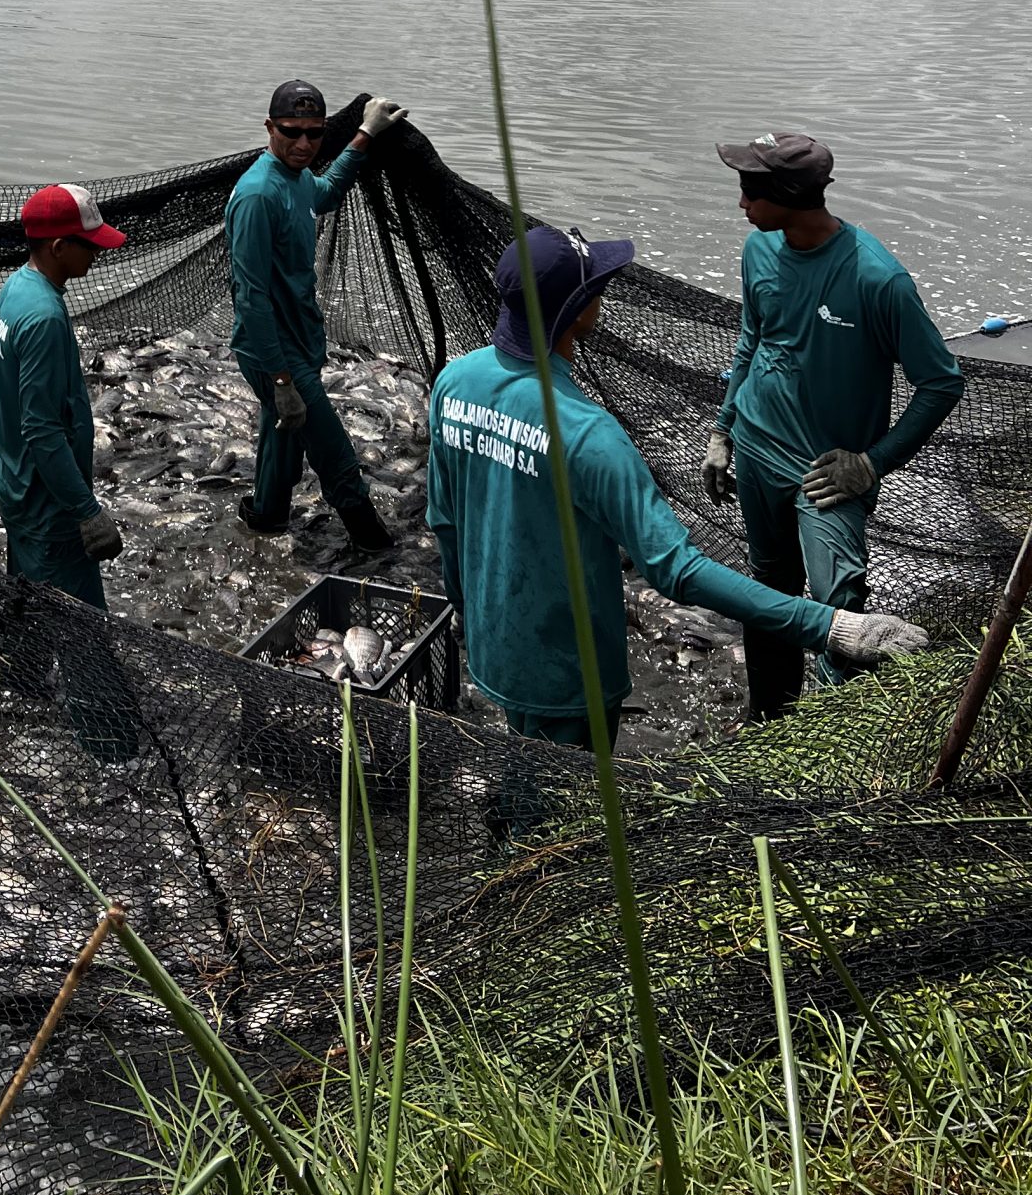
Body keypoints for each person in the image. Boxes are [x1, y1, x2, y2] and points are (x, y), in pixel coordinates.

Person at [426, 222, 929, 746]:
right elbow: (677, 569)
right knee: (558, 805)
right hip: (569, 669)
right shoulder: (588, 435)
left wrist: (467, 607)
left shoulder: (455, 382)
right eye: (597, 289)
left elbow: (444, 519)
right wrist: (833, 626)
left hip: (493, 644)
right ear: (579, 313)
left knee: (519, 758)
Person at [703, 130, 963, 722]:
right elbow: (752, 342)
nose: (741, 204)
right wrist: (722, 432)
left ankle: (835, 737)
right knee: (767, 591)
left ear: (790, 196)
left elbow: (942, 382)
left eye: (750, 192)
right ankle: (768, 717)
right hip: (756, 448)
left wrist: (870, 463)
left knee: (839, 604)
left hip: (828, 477)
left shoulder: (878, 279)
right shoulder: (760, 251)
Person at [226, 81, 406, 553]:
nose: (304, 144)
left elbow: (322, 194)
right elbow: (250, 298)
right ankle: (374, 543)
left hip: (299, 340)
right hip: (274, 351)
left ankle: (266, 517)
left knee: (283, 436)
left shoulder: (298, 177)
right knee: (333, 452)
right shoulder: (257, 195)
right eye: (291, 132)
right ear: (270, 127)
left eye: (314, 134)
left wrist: (364, 136)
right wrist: (282, 381)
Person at [0, 183, 127, 610]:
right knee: (83, 637)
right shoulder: (44, 316)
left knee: (30, 617)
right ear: (60, 247)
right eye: (90, 245)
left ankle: (16, 675)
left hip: (15, 483)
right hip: (48, 507)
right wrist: (87, 512)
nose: (97, 253)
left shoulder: (17, 286)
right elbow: (42, 429)